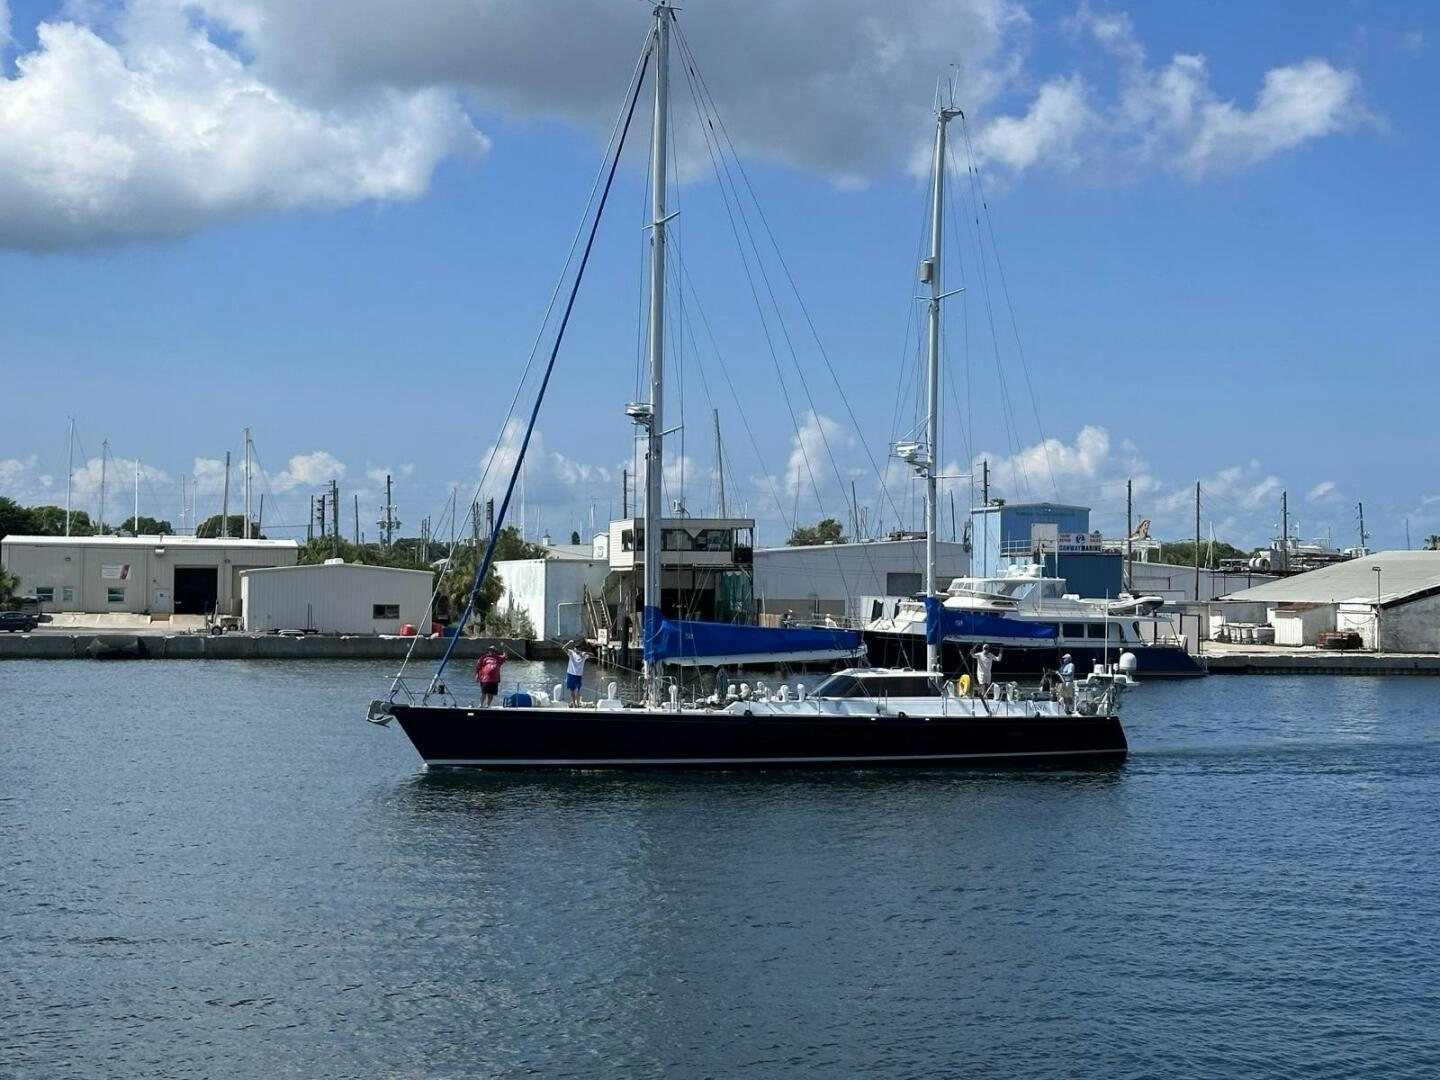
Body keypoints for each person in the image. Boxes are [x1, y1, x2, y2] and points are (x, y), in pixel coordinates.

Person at [563, 640, 591, 706]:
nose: (577, 649)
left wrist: (586, 653)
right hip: (570, 673)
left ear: (580, 649)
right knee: (572, 690)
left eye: (579, 648)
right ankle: (574, 704)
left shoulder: (583, 655)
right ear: (574, 648)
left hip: (578, 675)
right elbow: (563, 648)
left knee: (577, 690)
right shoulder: (571, 653)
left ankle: (578, 704)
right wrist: (569, 643)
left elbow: (592, 655)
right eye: (576, 648)